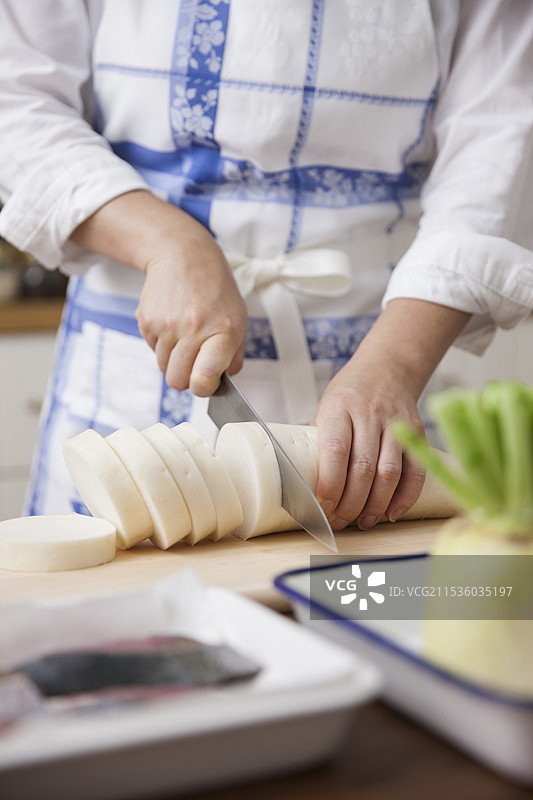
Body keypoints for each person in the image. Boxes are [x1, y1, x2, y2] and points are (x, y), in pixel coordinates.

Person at [0, 1, 532, 533]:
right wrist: (169, 243)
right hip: (127, 371)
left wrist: (394, 364)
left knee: (366, 604)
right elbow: (16, 99)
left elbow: (496, 141)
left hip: (385, 355)